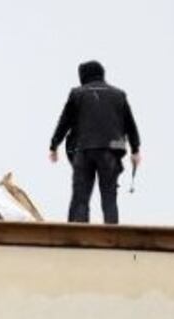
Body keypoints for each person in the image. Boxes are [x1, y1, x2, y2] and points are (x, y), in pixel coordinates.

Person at [49, 60, 141, 225]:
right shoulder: (118, 95)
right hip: (111, 151)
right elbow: (130, 124)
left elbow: (65, 122)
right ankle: (112, 234)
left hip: (84, 149)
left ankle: (78, 233)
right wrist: (135, 150)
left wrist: (54, 145)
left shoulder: (77, 94)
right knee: (109, 196)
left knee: (81, 196)